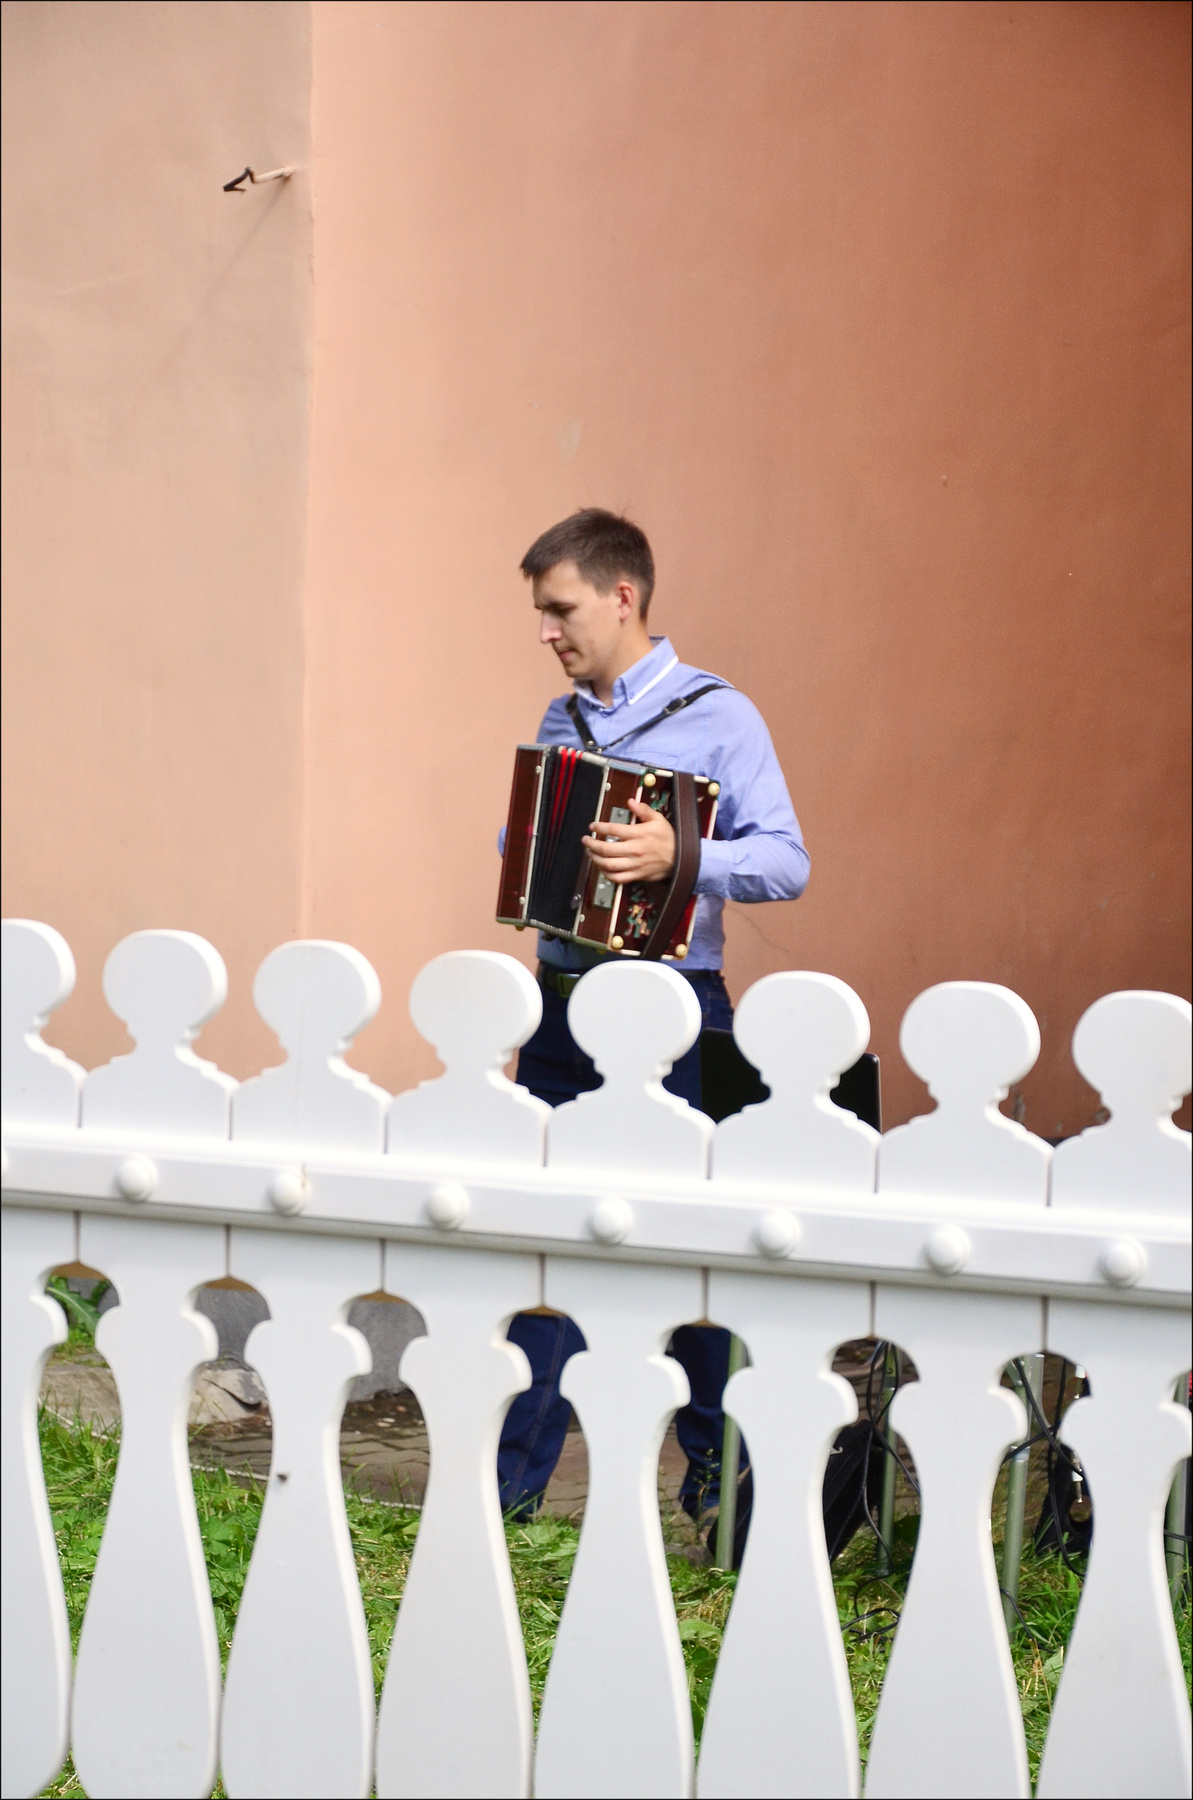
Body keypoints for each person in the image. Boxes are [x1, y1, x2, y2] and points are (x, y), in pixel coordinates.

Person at [497, 508, 810, 1521]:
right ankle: (507, 1494)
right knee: (547, 1246)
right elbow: (534, 840)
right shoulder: (561, 720)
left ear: (621, 595)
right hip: (560, 1008)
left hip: (675, 1008)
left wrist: (684, 856)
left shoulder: (721, 715)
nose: (545, 631)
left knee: (686, 1247)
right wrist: (528, 844)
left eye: (560, 609)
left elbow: (786, 862)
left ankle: (717, 1477)